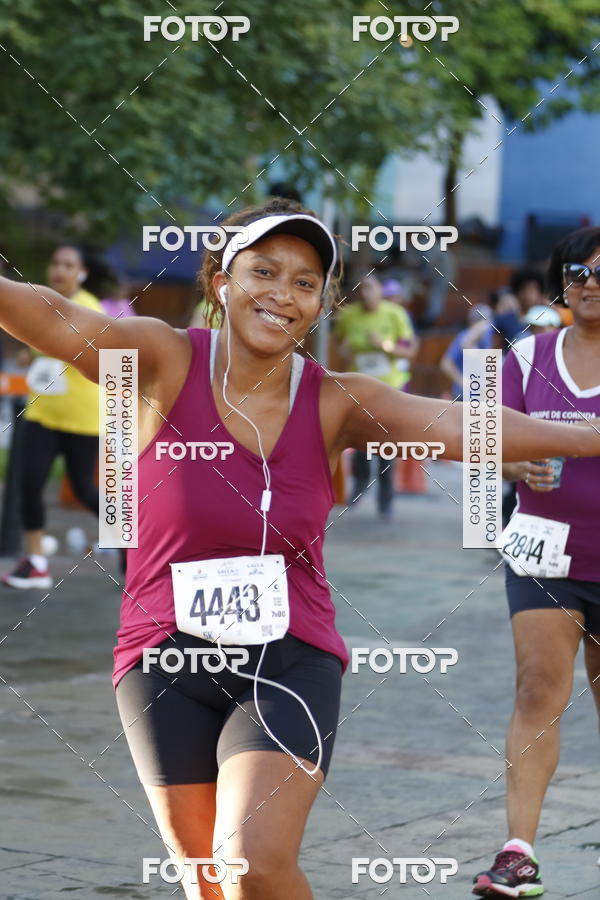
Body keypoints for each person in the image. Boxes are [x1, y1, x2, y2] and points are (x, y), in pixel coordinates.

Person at [1, 200, 599, 900]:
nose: (283, 294)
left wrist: (591, 437)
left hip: (287, 657)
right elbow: (51, 316)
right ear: (221, 282)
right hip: (162, 656)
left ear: (320, 306)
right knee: (207, 880)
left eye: (305, 282)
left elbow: (465, 423)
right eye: (263, 271)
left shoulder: (334, 400)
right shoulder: (161, 358)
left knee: (250, 862)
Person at [473, 226, 600, 897]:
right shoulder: (527, 355)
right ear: (562, 283)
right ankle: (517, 853)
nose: (590, 283)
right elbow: (487, 443)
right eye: (578, 272)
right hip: (545, 554)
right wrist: (517, 465)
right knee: (536, 688)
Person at [2, 245, 102, 589]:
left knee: (83, 489)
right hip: (42, 411)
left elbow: (79, 349)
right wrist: (29, 357)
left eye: (68, 265)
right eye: (56, 263)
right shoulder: (41, 301)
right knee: (29, 483)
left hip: (81, 416)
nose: (60, 270)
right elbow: (40, 347)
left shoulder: (89, 307)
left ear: (81, 273)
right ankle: (36, 564)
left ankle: (129, 541)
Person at [334, 273, 419, 518]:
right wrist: (345, 349)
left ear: (380, 290)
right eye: (361, 288)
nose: (366, 293)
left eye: (370, 287)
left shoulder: (395, 314)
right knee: (360, 441)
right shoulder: (348, 315)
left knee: (386, 446)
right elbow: (339, 344)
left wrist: (384, 345)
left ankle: (386, 499)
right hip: (360, 390)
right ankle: (359, 488)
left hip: (389, 390)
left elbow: (410, 351)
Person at [440, 301, 495, 399]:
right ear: (472, 323)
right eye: (483, 323)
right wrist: (462, 381)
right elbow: (446, 364)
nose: (486, 327)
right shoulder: (464, 336)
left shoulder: (489, 336)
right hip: (464, 394)